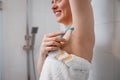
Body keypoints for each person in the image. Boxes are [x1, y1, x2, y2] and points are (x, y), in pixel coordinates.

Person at [37, 0, 95, 80]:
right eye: (52, 2)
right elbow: (42, 73)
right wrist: (42, 53)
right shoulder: (63, 35)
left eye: (59, 0)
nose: (53, 7)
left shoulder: (78, 34)